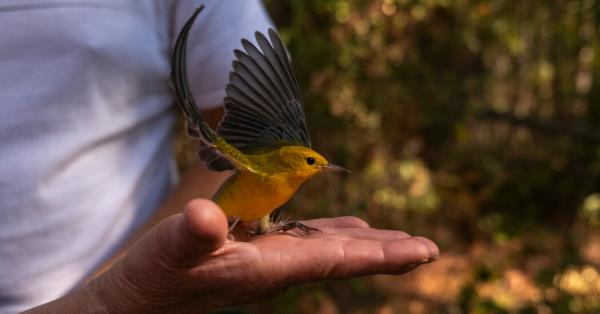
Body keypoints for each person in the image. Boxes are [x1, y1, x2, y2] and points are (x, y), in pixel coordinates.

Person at [0, 1, 439, 313]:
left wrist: (107, 291)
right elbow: (204, 124)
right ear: (291, 162)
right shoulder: (257, 166)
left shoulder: (284, 162)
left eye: (320, 164)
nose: (320, 168)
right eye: (311, 163)